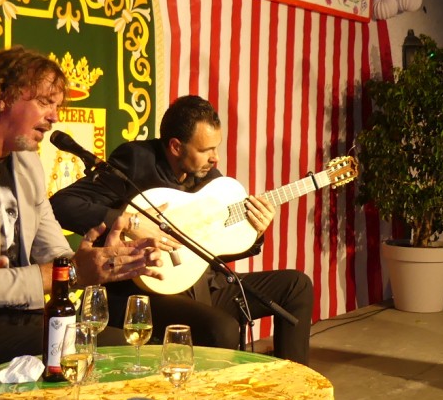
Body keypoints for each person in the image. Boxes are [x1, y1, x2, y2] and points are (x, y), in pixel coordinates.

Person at [0, 46, 161, 383]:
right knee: (107, 351)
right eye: (44, 102)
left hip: (23, 317)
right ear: (1, 96)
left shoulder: (26, 160)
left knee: (125, 350)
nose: (54, 117)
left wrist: (97, 261)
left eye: (57, 106)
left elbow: (54, 252)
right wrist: (68, 273)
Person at [50, 95, 316, 365]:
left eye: (216, 148)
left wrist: (256, 232)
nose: (215, 158)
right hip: (147, 293)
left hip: (201, 286)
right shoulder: (137, 162)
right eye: (205, 150)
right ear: (176, 147)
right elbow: (61, 205)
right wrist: (131, 221)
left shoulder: (210, 180)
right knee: (222, 329)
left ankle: (295, 382)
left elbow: (214, 249)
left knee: (296, 286)